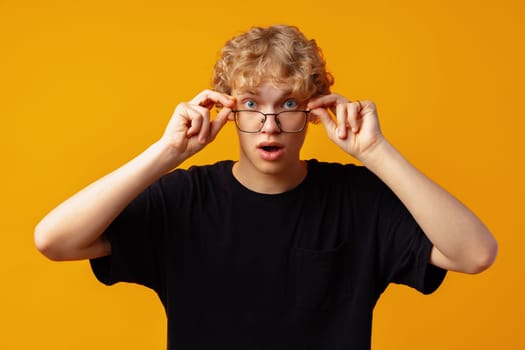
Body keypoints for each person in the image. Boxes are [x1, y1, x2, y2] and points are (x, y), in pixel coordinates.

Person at [34, 24, 497, 349]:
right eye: (252, 103)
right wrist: (166, 153)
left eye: (289, 103)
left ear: (314, 110)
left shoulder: (357, 199)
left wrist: (376, 153)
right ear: (227, 109)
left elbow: (475, 254)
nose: (269, 125)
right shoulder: (184, 199)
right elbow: (54, 240)